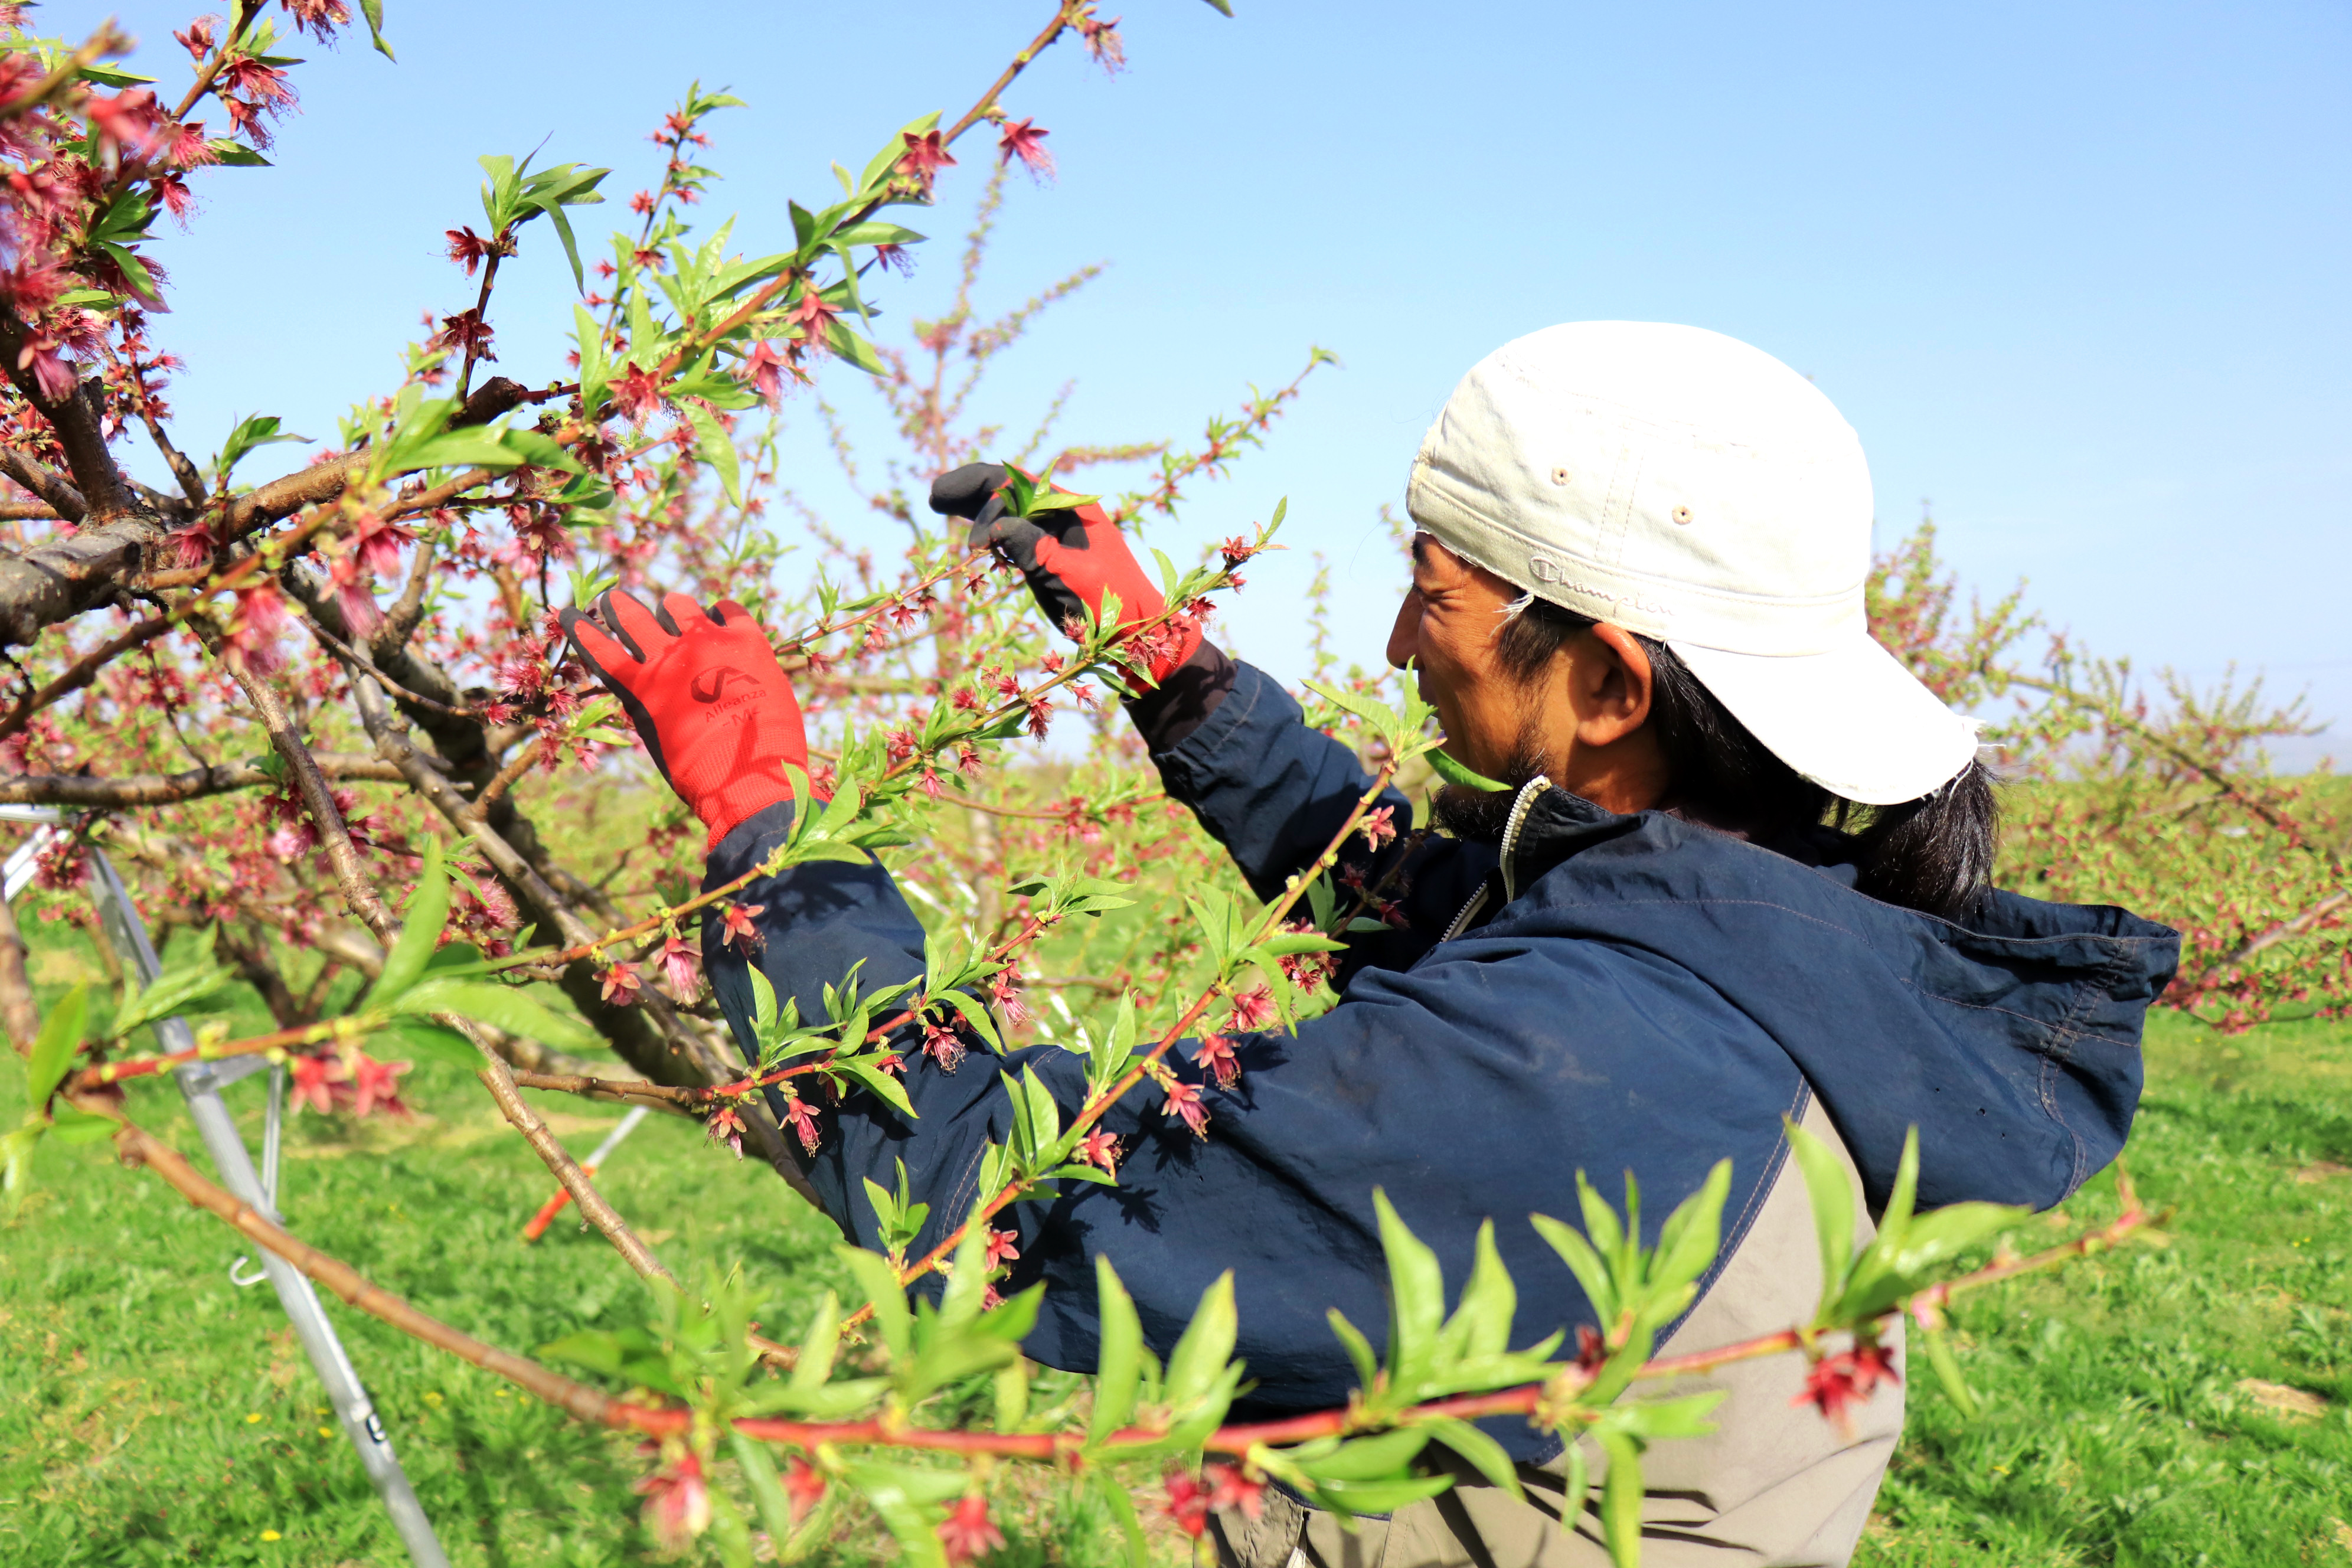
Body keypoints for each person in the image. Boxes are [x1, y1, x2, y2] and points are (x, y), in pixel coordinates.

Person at [563, 322, 2178, 1567]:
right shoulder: (1776, 929)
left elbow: (998, 1201)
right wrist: (1172, 671)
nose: (1400, 642)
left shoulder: (1587, 1071)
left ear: (1614, 687)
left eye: (1433, 595)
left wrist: (775, 836)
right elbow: (1418, 897)